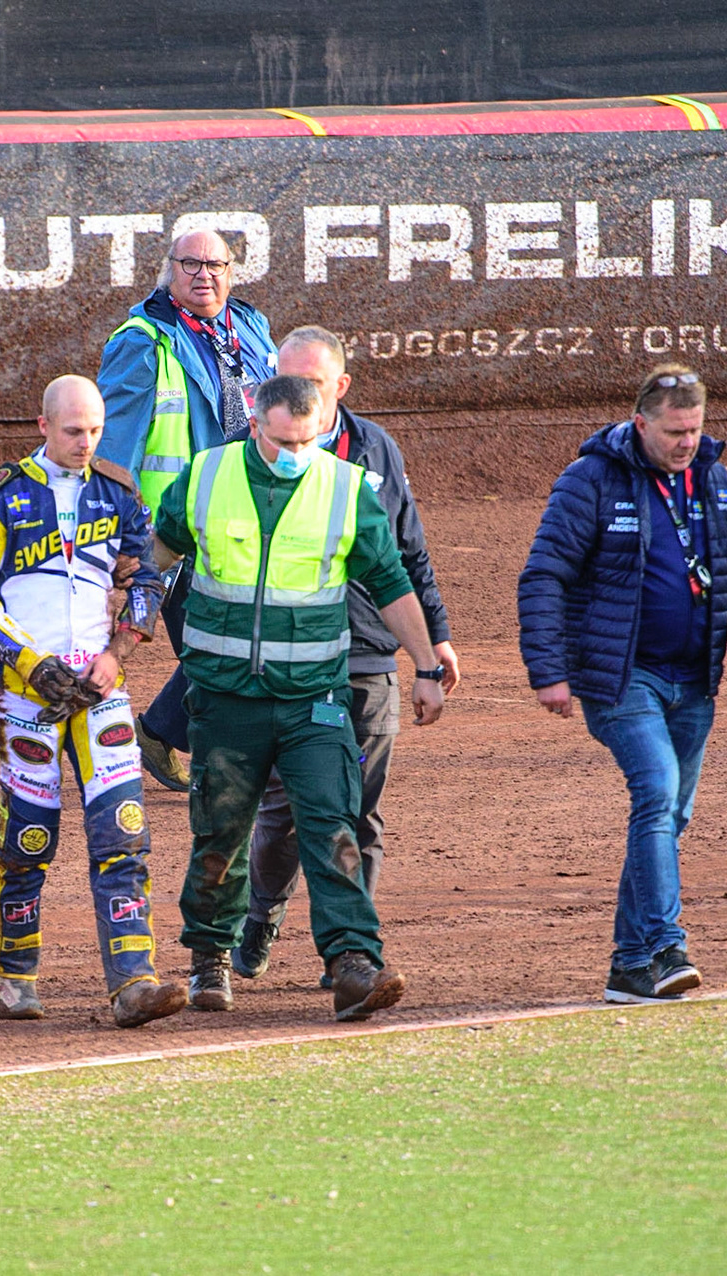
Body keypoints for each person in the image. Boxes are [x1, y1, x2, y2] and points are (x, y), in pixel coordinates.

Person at [153, 375, 446, 1022]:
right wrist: (130, 609)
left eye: (305, 441)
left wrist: (426, 661)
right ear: (255, 423)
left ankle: (352, 964)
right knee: (219, 834)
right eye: (282, 440)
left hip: (314, 697)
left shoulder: (344, 489)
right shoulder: (207, 475)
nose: (293, 453)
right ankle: (210, 956)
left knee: (332, 824)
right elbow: (159, 548)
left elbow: (392, 580)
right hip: (227, 699)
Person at [517, 365, 727, 1004]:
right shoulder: (592, 479)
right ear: (641, 425)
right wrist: (549, 671)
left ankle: (628, 967)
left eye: (694, 429)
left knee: (669, 813)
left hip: (694, 678)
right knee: (658, 791)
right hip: (620, 675)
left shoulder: (714, 480)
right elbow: (543, 575)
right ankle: (667, 946)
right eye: (673, 432)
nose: (686, 442)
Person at [0, 375, 187, 1029]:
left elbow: (145, 576)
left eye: (96, 430)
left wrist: (119, 652)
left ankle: (134, 983)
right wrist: (31, 663)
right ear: (43, 425)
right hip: (28, 697)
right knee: (28, 836)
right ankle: (12, 974)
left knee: (124, 833)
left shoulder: (119, 489)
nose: (86, 442)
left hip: (101, 690)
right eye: (74, 430)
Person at [232, 326, 460, 986]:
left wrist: (432, 641)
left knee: (357, 812)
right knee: (283, 815)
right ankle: (262, 916)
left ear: (341, 387)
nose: (295, 392)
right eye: (283, 378)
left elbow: (409, 551)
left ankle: (352, 951)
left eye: (312, 380)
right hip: (284, 662)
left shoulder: (377, 450)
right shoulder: (247, 450)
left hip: (364, 656)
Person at [96, 228, 279, 792]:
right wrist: (113, 540)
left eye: (216, 264)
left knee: (240, 642)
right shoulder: (143, 340)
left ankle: (162, 730)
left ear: (233, 270)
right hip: (175, 529)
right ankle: (211, 758)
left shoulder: (250, 327)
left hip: (249, 514)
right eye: (191, 264)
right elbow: (111, 451)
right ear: (169, 270)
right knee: (225, 648)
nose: (205, 274)